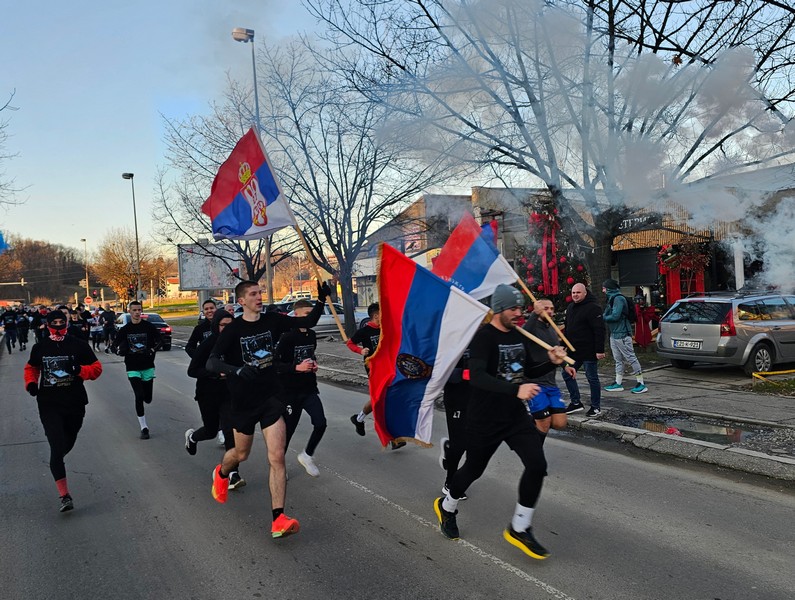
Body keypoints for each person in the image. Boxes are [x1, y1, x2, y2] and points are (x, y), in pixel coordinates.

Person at [433, 284, 567, 559]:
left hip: (515, 416)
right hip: (484, 418)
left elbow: (526, 369)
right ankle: (447, 506)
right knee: (472, 470)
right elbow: (479, 376)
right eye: (513, 309)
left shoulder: (518, 334)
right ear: (499, 309)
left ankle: (520, 527)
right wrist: (515, 390)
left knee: (537, 465)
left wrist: (551, 362)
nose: (519, 313)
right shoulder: (484, 337)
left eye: (520, 308)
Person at [206, 279, 329, 539]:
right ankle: (222, 472)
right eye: (253, 294)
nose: (259, 297)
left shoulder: (272, 320)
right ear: (241, 301)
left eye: (260, 292)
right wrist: (236, 370)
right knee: (241, 454)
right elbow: (212, 362)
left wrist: (321, 300)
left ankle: (278, 519)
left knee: (277, 457)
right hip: (243, 402)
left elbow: (305, 322)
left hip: (272, 398)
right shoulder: (233, 329)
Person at [23, 310, 103, 512]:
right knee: (56, 448)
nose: (58, 325)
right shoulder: (40, 347)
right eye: (54, 322)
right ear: (48, 323)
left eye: (61, 322)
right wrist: (31, 383)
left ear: (66, 323)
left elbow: (97, 368)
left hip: (75, 403)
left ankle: (56, 459)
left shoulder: (78, 345)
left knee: (68, 441)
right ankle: (64, 495)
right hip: (49, 404)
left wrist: (80, 371)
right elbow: (31, 368)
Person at [185, 310, 245, 489]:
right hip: (207, 394)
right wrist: (214, 372)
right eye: (223, 325)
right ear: (216, 326)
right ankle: (193, 437)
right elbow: (192, 370)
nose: (227, 329)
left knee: (229, 430)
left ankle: (233, 473)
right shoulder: (207, 344)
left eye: (230, 325)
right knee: (211, 431)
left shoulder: (236, 344)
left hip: (228, 394)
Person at [274, 299, 327, 478]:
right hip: (289, 391)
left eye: (311, 314)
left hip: (309, 388)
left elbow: (310, 354)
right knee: (287, 432)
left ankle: (307, 455)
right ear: (295, 315)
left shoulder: (311, 335)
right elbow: (275, 364)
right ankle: (279, 467)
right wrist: (296, 368)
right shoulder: (287, 336)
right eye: (306, 314)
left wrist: (314, 364)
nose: (310, 317)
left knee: (320, 423)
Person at [523, 299, 576, 442]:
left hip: (550, 382)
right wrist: (535, 314)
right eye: (545, 308)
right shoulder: (531, 327)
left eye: (551, 308)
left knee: (560, 423)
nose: (550, 311)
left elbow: (557, 352)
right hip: (534, 383)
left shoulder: (551, 328)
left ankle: (526, 425)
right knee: (544, 423)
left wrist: (565, 365)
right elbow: (523, 335)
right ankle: (534, 454)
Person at [112, 300, 162, 439]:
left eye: (139, 310)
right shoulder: (126, 329)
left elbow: (160, 340)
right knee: (139, 396)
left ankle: (147, 398)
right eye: (134, 310)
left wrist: (152, 349)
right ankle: (144, 427)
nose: (137, 312)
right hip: (132, 366)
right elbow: (115, 343)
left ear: (141, 311)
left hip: (148, 366)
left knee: (148, 398)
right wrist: (115, 349)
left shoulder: (148, 326)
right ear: (129, 311)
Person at [561, 283, 606, 417]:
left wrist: (599, 350)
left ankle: (596, 406)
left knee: (592, 378)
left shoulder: (593, 308)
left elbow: (600, 330)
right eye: (573, 292)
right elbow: (568, 328)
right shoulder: (570, 308)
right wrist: (563, 343)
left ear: (585, 293)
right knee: (566, 374)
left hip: (589, 350)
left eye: (578, 292)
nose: (575, 295)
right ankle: (576, 402)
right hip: (573, 351)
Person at [602, 279, 648, 396]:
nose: (603, 290)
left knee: (630, 357)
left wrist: (604, 318)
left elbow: (616, 316)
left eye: (604, 288)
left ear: (609, 288)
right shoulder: (612, 299)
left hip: (622, 333)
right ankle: (618, 383)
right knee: (618, 359)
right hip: (615, 333)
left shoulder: (618, 299)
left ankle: (641, 383)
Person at [439, 349, 471, 500]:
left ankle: (449, 450)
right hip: (456, 398)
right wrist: (468, 373)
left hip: (476, 399)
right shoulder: (454, 339)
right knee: (459, 444)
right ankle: (449, 483)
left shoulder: (482, 336)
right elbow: (443, 373)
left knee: (470, 442)